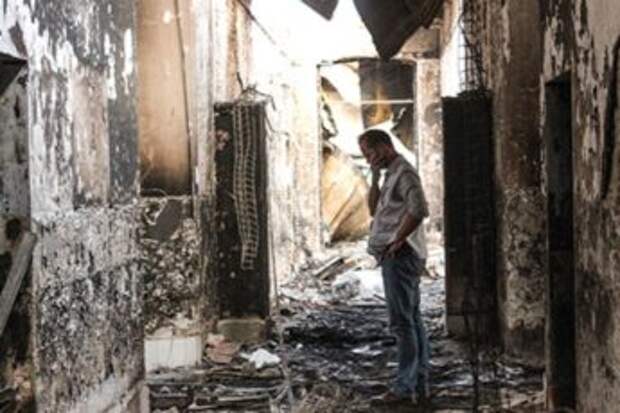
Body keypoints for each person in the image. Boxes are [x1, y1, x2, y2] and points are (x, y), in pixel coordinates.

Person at [358, 129, 430, 404]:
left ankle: (404, 388)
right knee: (412, 318)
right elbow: (373, 209)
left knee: (402, 323)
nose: (368, 159)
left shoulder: (405, 173)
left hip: (401, 256)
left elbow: (419, 209)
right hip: (397, 255)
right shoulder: (390, 174)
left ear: (385, 146)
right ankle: (418, 382)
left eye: (370, 153)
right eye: (365, 155)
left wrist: (398, 239)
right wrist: (374, 177)